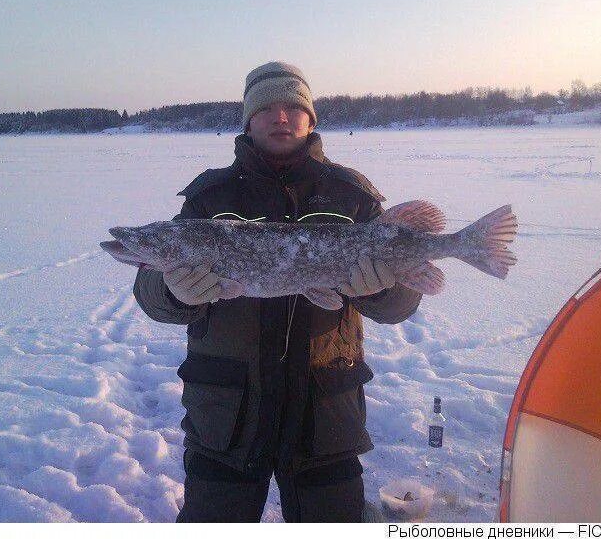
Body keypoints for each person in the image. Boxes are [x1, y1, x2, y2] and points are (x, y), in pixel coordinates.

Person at [133, 61, 422, 522]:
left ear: (311, 118)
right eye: (266, 107)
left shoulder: (352, 195)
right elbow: (149, 289)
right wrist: (171, 291)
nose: (281, 117)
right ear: (249, 120)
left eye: (293, 106)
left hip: (325, 408)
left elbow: (403, 301)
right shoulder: (211, 196)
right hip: (227, 413)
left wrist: (379, 292)